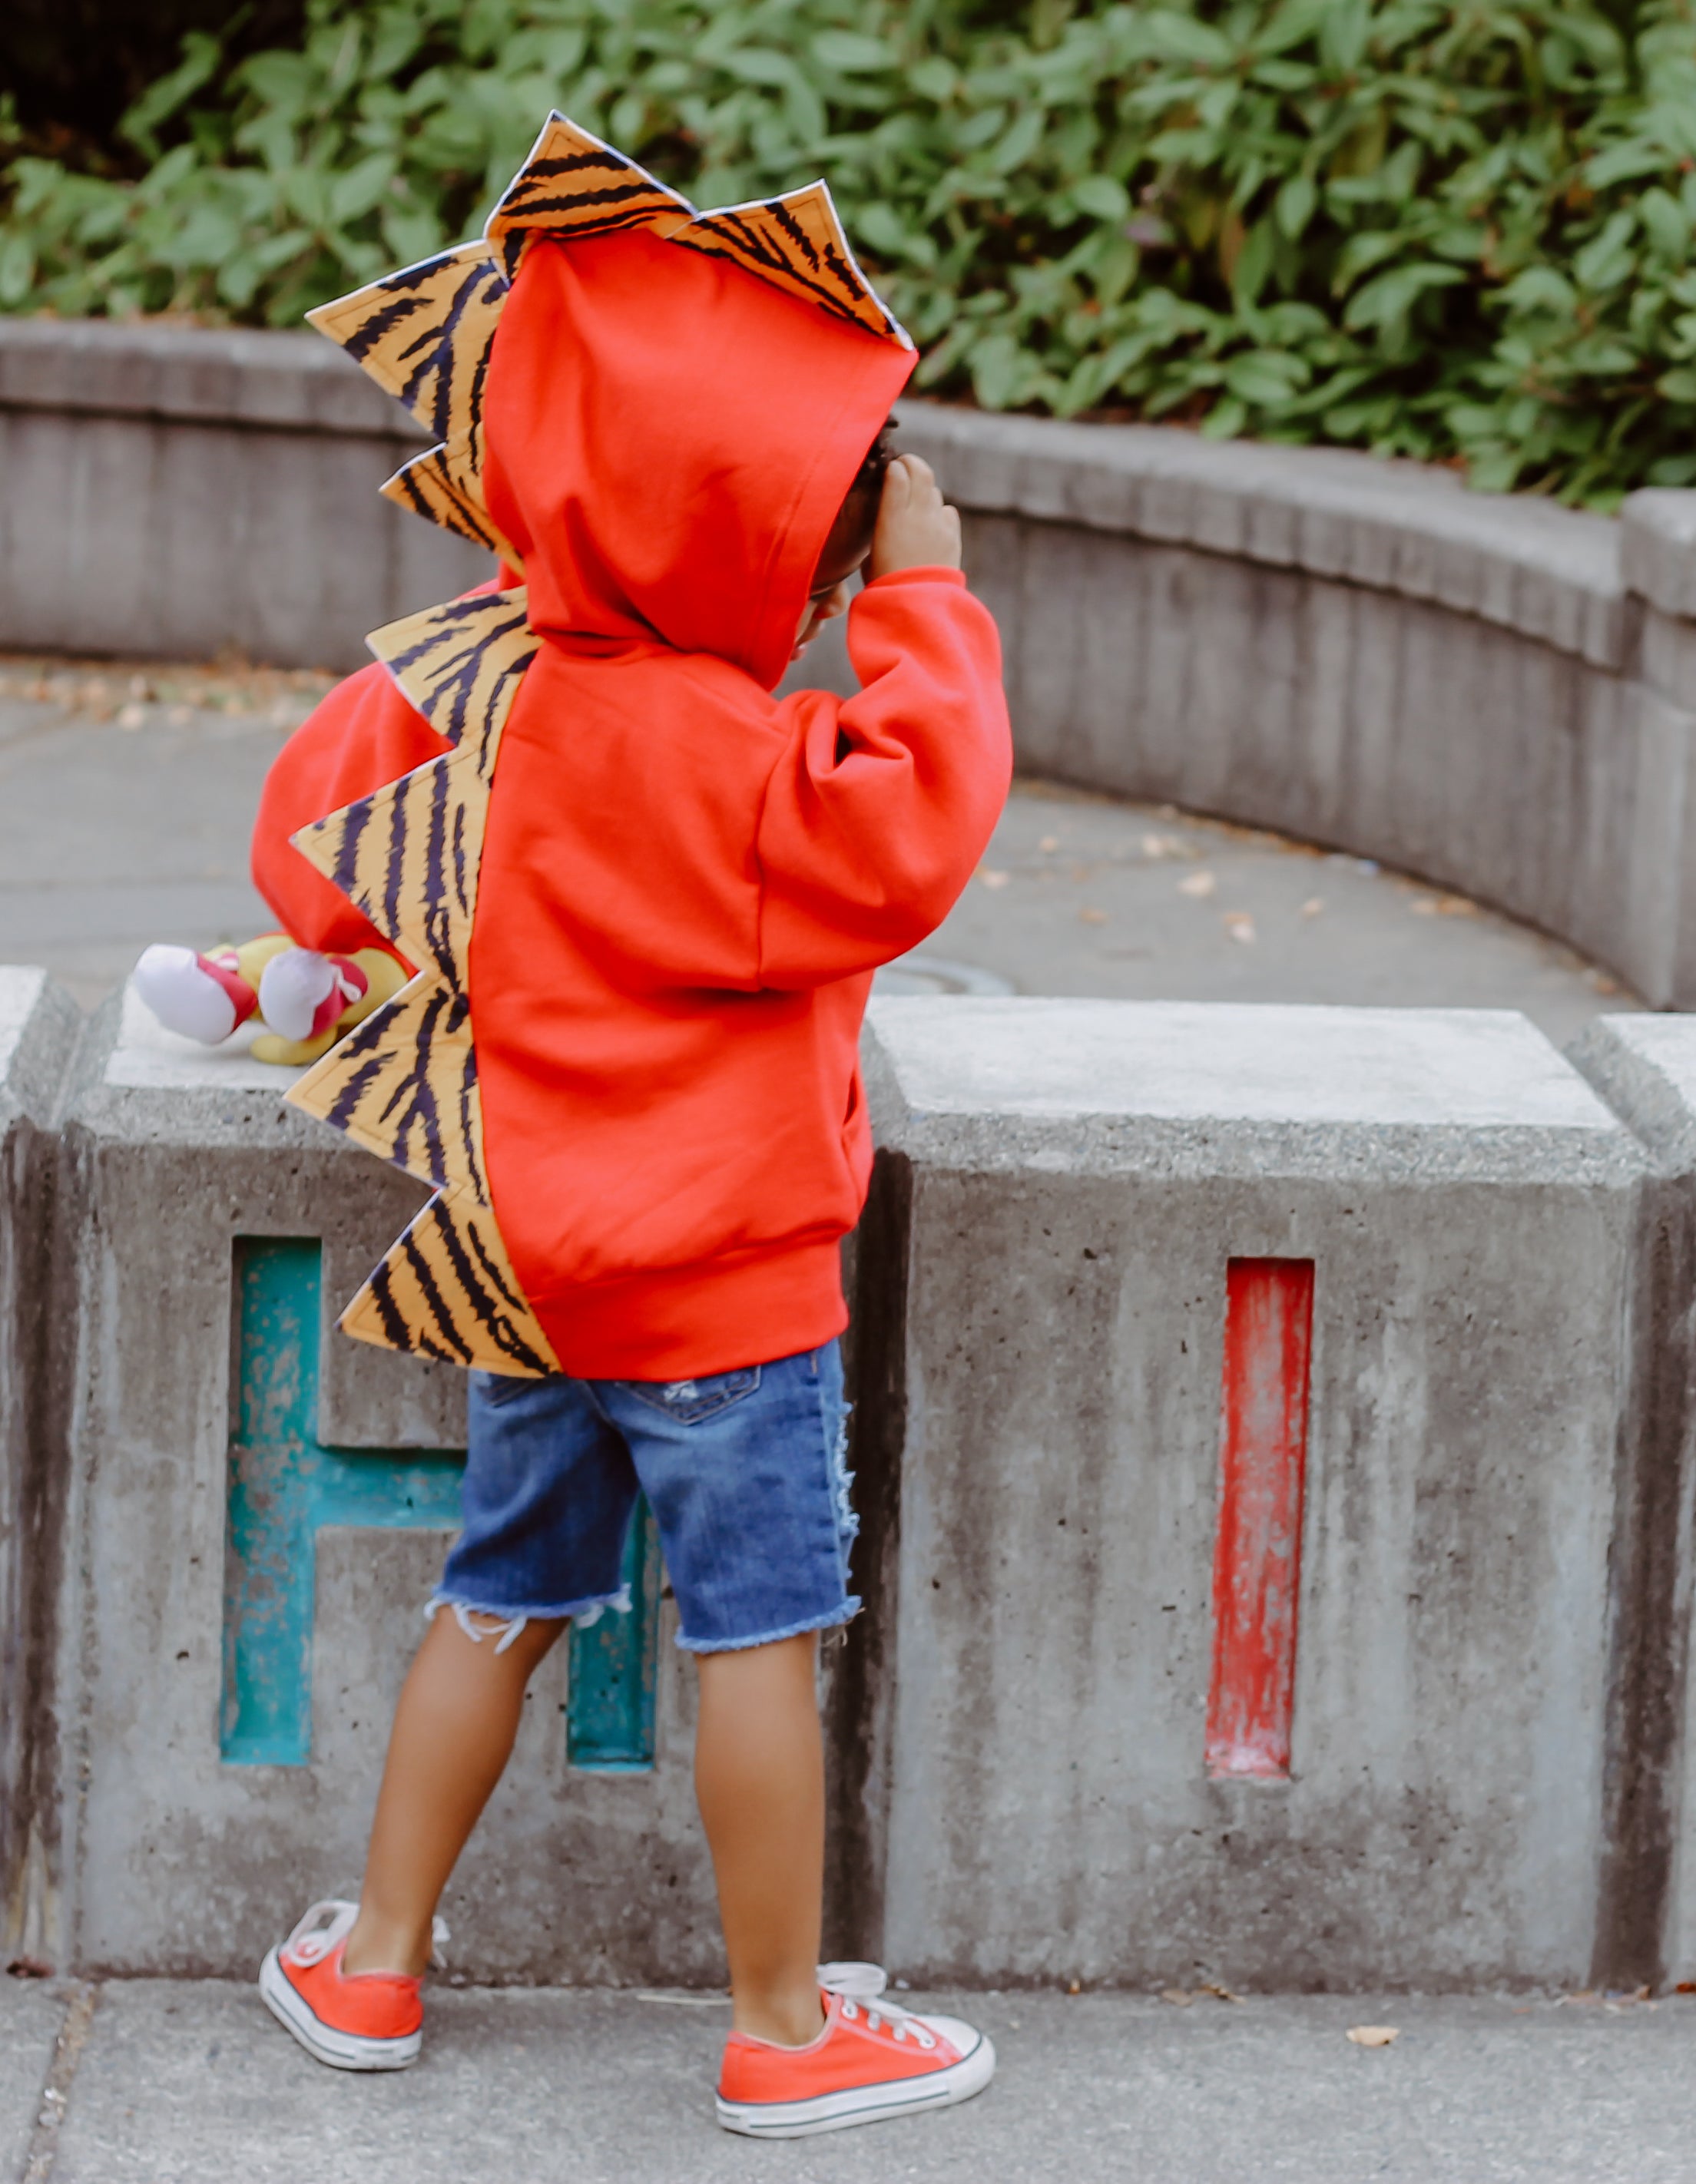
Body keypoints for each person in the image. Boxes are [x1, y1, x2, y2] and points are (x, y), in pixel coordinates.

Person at [249, 184, 1012, 2140]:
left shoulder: (488, 693)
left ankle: (375, 1964)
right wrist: (918, 602)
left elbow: (309, 852)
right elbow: (911, 827)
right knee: (755, 1629)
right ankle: (779, 2024)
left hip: (535, 1268)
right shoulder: (740, 758)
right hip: (728, 1296)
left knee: (497, 1593)